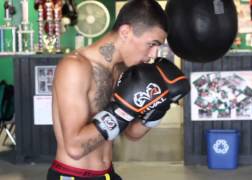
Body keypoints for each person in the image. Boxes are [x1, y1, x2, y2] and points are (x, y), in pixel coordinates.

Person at [47, 0, 169, 179]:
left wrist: (159, 107)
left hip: (107, 173)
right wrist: (123, 110)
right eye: (151, 44)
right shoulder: (75, 67)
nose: (153, 54)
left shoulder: (123, 70)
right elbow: (74, 147)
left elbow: (132, 133)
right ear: (126, 32)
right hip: (72, 175)